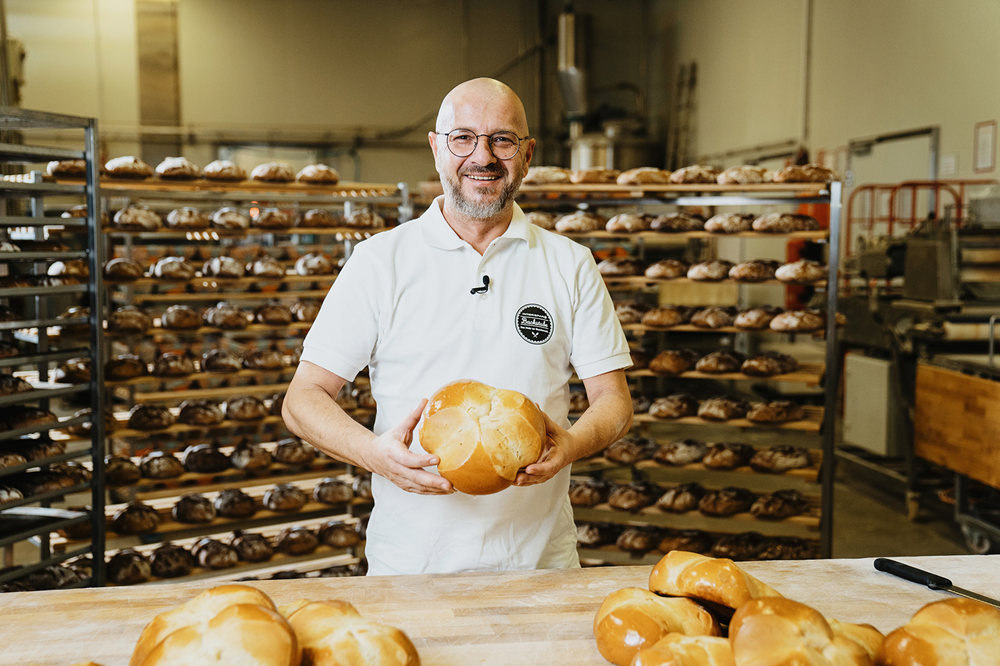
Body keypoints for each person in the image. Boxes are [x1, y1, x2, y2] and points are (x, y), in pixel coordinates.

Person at [283, 77, 633, 576]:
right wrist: (374, 454)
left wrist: (572, 444)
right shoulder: (380, 262)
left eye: (502, 140)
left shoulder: (570, 263)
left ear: (528, 154)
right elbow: (302, 399)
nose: (482, 157)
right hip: (410, 570)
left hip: (541, 568)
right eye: (463, 138)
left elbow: (614, 401)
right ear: (436, 149)